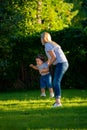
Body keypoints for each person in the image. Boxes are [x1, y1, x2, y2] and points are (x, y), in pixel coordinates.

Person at [41, 32, 69, 107]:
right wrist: (44, 65)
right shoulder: (52, 44)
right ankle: (57, 102)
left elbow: (54, 58)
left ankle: (58, 103)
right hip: (63, 63)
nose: (40, 40)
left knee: (56, 82)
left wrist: (47, 66)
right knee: (56, 82)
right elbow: (51, 58)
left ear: (43, 38)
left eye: (41, 38)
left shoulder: (47, 45)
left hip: (61, 64)